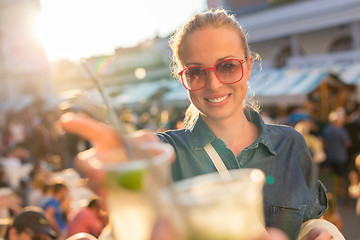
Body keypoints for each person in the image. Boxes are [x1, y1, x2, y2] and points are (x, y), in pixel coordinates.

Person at [60, 8, 331, 240]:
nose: (213, 84)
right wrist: (126, 165)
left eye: (227, 66)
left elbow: (309, 221)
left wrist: (318, 231)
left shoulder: (291, 144)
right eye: (196, 72)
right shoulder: (167, 155)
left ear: (248, 66)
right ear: (183, 79)